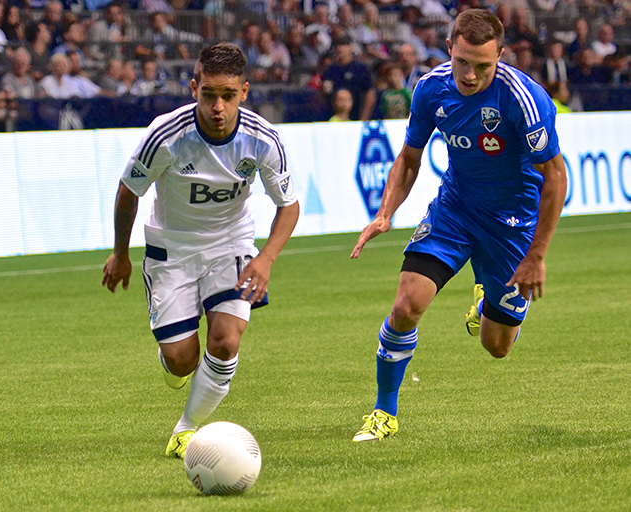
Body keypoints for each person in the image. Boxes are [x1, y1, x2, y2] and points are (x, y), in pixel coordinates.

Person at [349, 9, 567, 442]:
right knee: (407, 304)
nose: (470, 75)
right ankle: (383, 411)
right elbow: (409, 157)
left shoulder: (524, 98)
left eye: (483, 66)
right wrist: (385, 212)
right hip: (456, 211)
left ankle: (487, 299)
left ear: (500, 56)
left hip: (513, 226)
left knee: (497, 347)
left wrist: (537, 254)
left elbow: (555, 177)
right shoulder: (430, 89)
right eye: (463, 62)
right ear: (449, 48)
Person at [101, 42, 300, 459]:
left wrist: (265, 258)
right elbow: (128, 192)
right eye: (209, 94)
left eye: (228, 95)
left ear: (244, 92)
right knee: (180, 360)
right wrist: (121, 254)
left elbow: (289, 205)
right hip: (172, 248)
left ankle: (187, 428)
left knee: (226, 341)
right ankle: (174, 361)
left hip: (231, 243)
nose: (218, 106)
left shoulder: (263, 140)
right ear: (194, 88)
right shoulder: (165, 136)